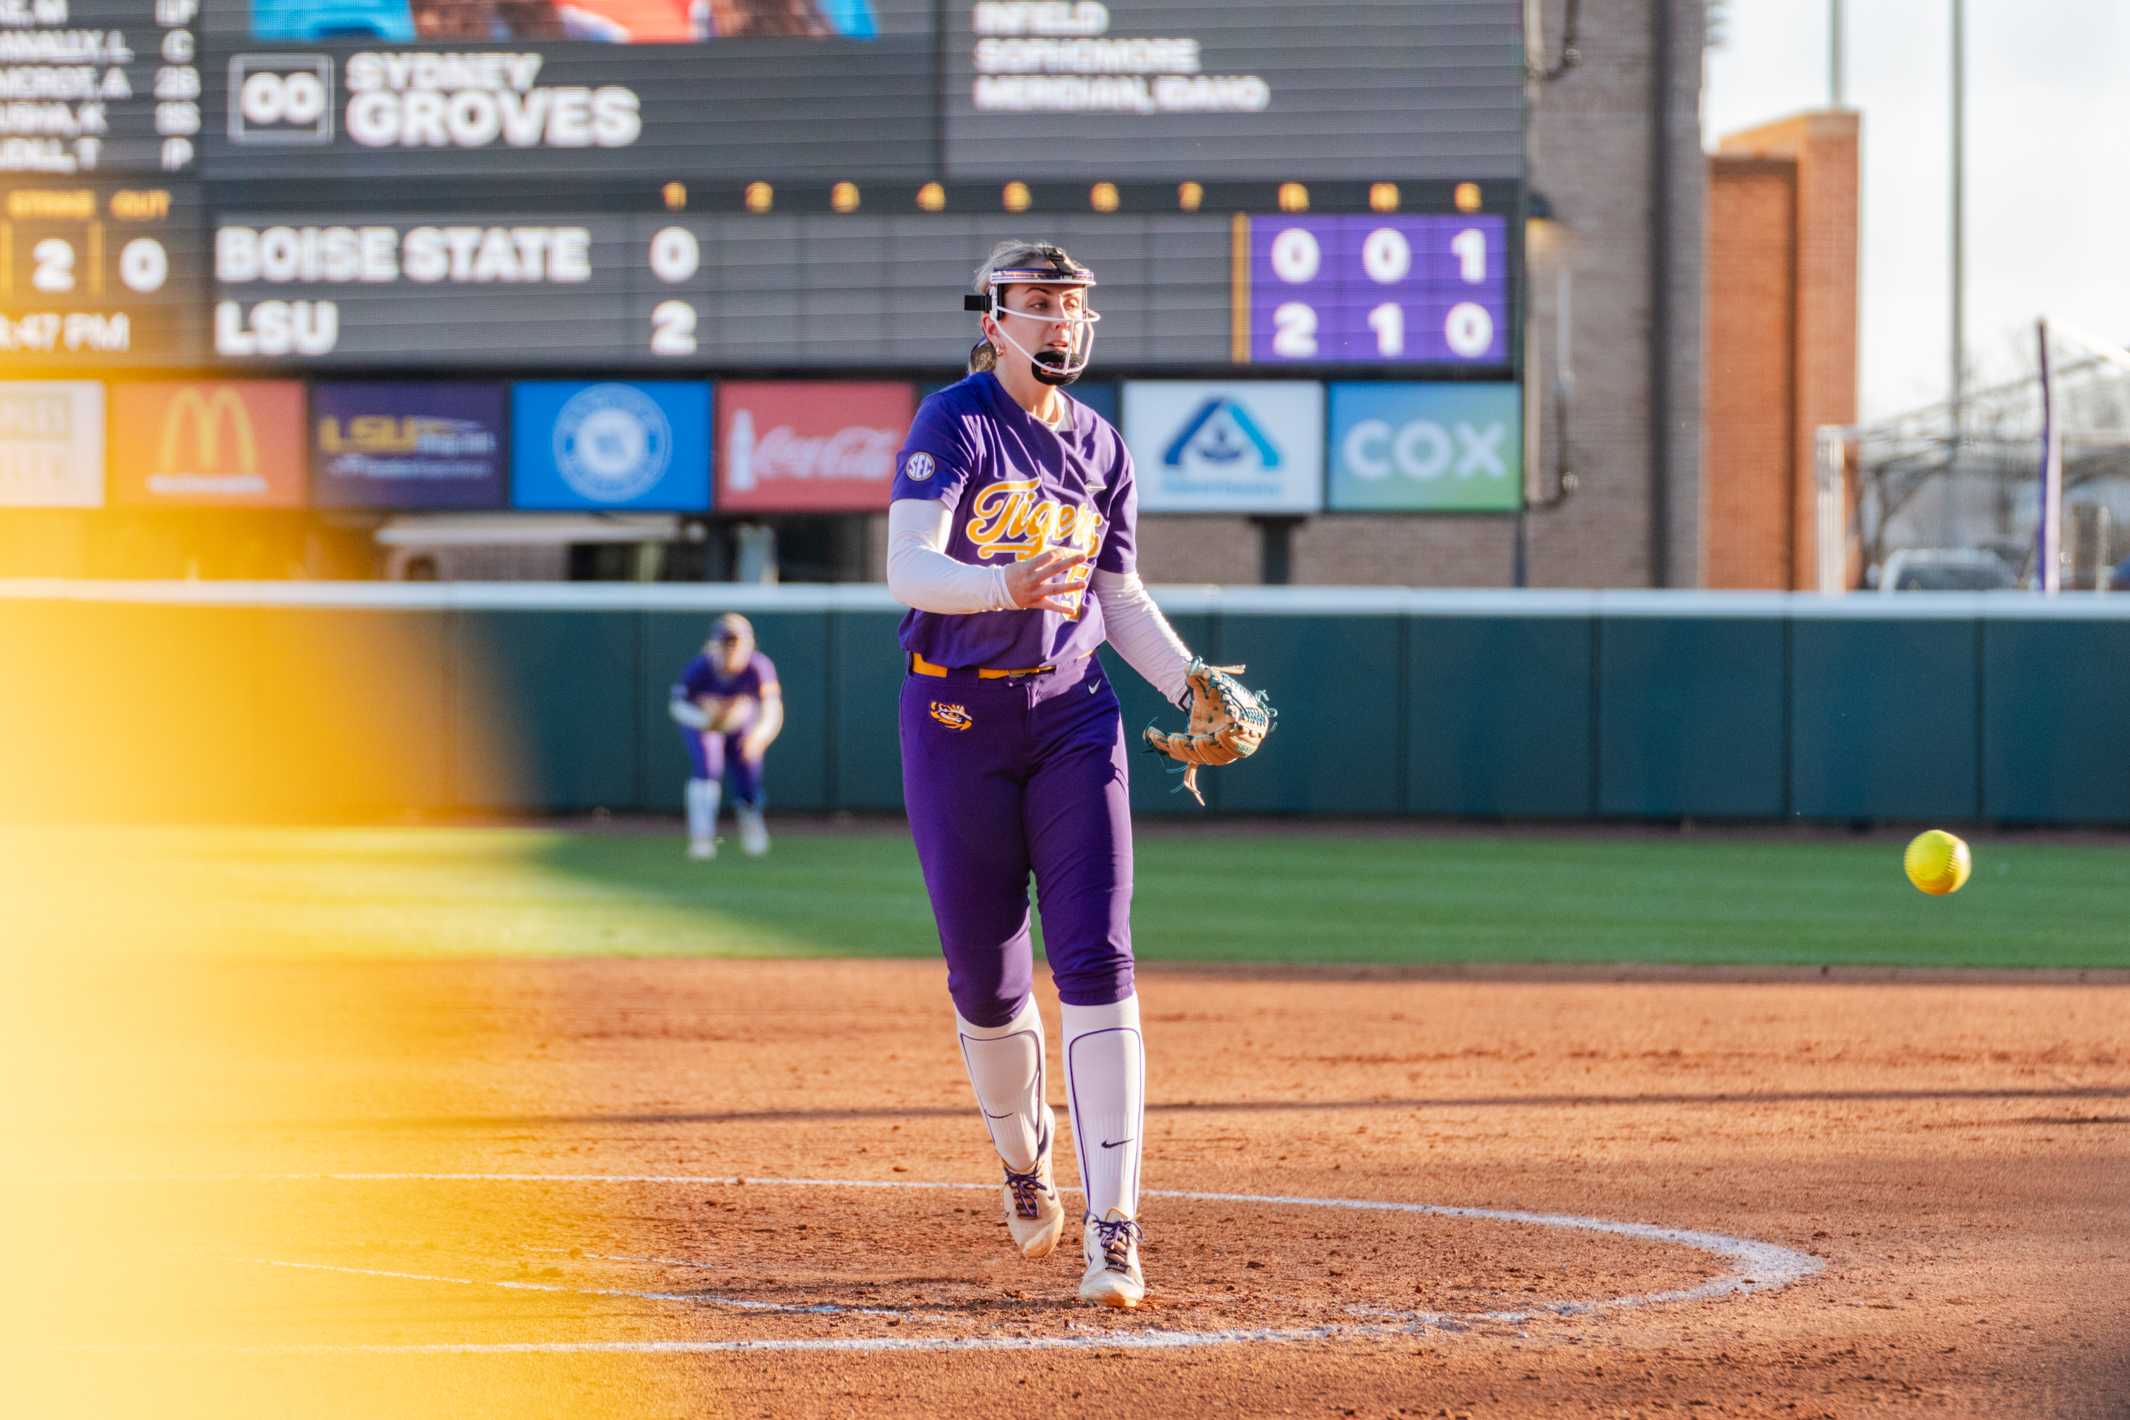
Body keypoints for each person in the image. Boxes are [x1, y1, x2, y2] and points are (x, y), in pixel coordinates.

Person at [885, 240, 1259, 1309]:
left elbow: (1120, 598)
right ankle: (1023, 1161)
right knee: (989, 985)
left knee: (1098, 955)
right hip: (955, 715)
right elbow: (906, 570)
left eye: (1072, 304)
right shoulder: (953, 420)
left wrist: (1190, 683)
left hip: (1073, 715)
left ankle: (1117, 1227)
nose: (1060, 321)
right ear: (994, 316)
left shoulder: (1099, 444)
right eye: (1038, 303)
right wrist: (1002, 579)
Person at [668, 613, 783, 859]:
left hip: (741, 723)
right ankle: (702, 836)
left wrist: (761, 736)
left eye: (737, 642)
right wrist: (707, 719)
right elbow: (678, 706)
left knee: (749, 772)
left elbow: (772, 710)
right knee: (708, 766)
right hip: (704, 724)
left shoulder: (758, 666)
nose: (732, 649)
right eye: (726, 642)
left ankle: (752, 825)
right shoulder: (701, 667)